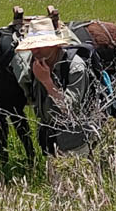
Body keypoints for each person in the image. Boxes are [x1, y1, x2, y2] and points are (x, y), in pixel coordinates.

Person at [15, 25, 99, 156]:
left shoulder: (75, 67)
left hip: (76, 141)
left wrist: (47, 82)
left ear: (54, 45)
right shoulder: (39, 65)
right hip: (50, 141)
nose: (34, 51)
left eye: (39, 46)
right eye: (31, 47)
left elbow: (69, 110)